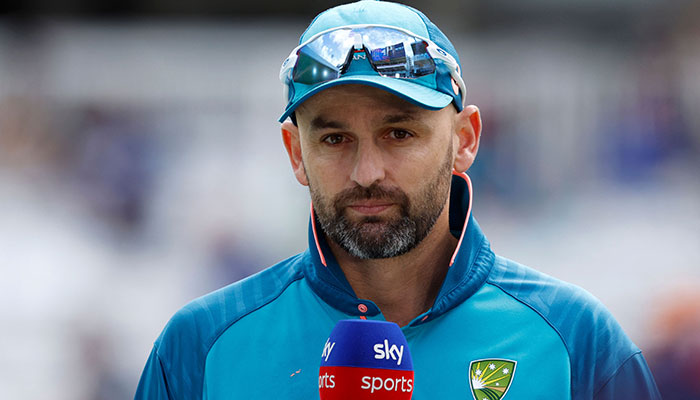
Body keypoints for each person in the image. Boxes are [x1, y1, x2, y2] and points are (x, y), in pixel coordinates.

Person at [135, 1, 661, 399]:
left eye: (399, 134)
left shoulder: (576, 341)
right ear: (296, 153)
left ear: (466, 139)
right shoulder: (200, 347)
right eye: (334, 139)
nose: (367, 174)